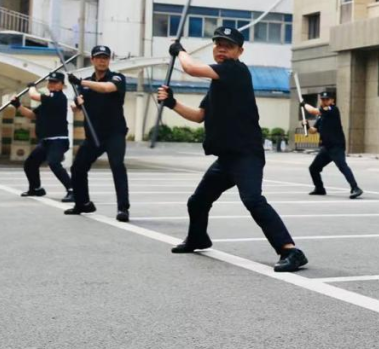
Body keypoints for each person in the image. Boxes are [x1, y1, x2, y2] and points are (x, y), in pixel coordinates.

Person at [158, 25, 307, 273]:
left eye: (228, 46)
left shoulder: (235, 71)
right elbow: (198, 116)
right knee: (198, 201)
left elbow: (191, 68)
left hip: (246, 154)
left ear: (240, 51)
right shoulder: (218, 83)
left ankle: (290, 251)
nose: (222, 49)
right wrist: (172, 102)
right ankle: (198, 238)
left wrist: (180, 50)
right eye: (218, 44)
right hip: (227, 158)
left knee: (253, 200)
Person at [66, 46, 130, 222]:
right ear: (92, 60)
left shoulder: (117, 78)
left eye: (105, 57)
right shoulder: (85, 84)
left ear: (109, 60)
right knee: (78, 167)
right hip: (93, 135)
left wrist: (81, 83)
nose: (102, 60)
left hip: (114, 133)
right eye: (98, 57)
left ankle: (123, 208)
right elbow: (77, 107)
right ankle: (83, 203)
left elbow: (106, 88)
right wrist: (77, 104)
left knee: (117, 166)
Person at [13, 72, 73, 201]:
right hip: (46, 141)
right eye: (50, 82)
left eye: (55, 82)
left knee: (54, 163)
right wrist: (18, 105)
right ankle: (36, 189)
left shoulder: (57, 97)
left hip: (58, 140)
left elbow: (34, 95)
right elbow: (32, 115)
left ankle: (73, 190)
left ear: (62, 85)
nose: (51, 84)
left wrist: (32, 86)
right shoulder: (47, 101)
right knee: (30, 164)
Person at [304, 90, 363, 198]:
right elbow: (313, 130)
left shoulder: (332, 109)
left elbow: (313, 110)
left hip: (336, 146)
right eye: (323, 99)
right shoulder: (322, 116)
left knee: (342, 166)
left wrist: (304, 104)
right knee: (313, 168)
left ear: (332, 100)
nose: (325, 101)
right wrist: (307, 126)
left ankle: (355, 188)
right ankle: (319, 188)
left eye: (327, 99)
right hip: (326, 147)